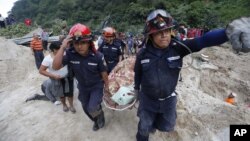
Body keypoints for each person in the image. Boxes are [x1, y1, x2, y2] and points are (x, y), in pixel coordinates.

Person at [134, 9, 249, 141]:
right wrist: (137, 89)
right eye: (158, 32)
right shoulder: (142, 54)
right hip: (148, 101)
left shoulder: (179, 47)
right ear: (151, 35)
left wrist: (226, 32)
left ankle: (153, 125)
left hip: (168, 101)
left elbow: (203, 40)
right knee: (144, 128)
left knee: (166, 126)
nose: (164, 35)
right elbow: (138, 73)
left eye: (166, 31)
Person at [52, 23, 109, 131]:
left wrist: (107, 86)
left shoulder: (97, 56)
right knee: (85, 108)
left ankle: (100, 115)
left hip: (96, 86)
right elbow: (55, 66)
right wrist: (63, 47)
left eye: (83, 43)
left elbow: (104, 73)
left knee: (92, 107)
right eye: (76, 43)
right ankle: (95, 121)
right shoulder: (70, 54)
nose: (79, 46)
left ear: (89, 42)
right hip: (83, 87)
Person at [39, 41, 76, 113]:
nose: (61, 50)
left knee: (70, 93)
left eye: (62, 48)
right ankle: (64, 105)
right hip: (56, 79)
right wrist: (53, 75)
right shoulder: (48, 59)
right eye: (58, 49)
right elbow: (41, 71)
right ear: (53, 50)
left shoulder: (66, 54)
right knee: (61, 94)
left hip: (67, 77)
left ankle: (71, 105)